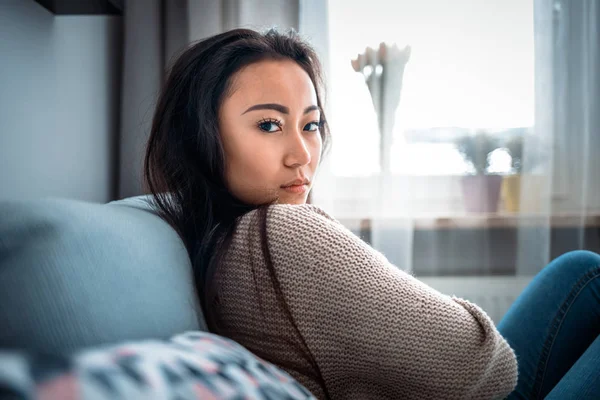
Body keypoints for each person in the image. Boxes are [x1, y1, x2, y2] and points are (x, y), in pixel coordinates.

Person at [143, 28, 600, 399]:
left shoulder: (214, 237)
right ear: (200, 137)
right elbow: (485, 369)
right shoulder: (284, 230)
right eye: (269, 125)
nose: (302, 154)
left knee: (579, 270)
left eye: (311, 124)